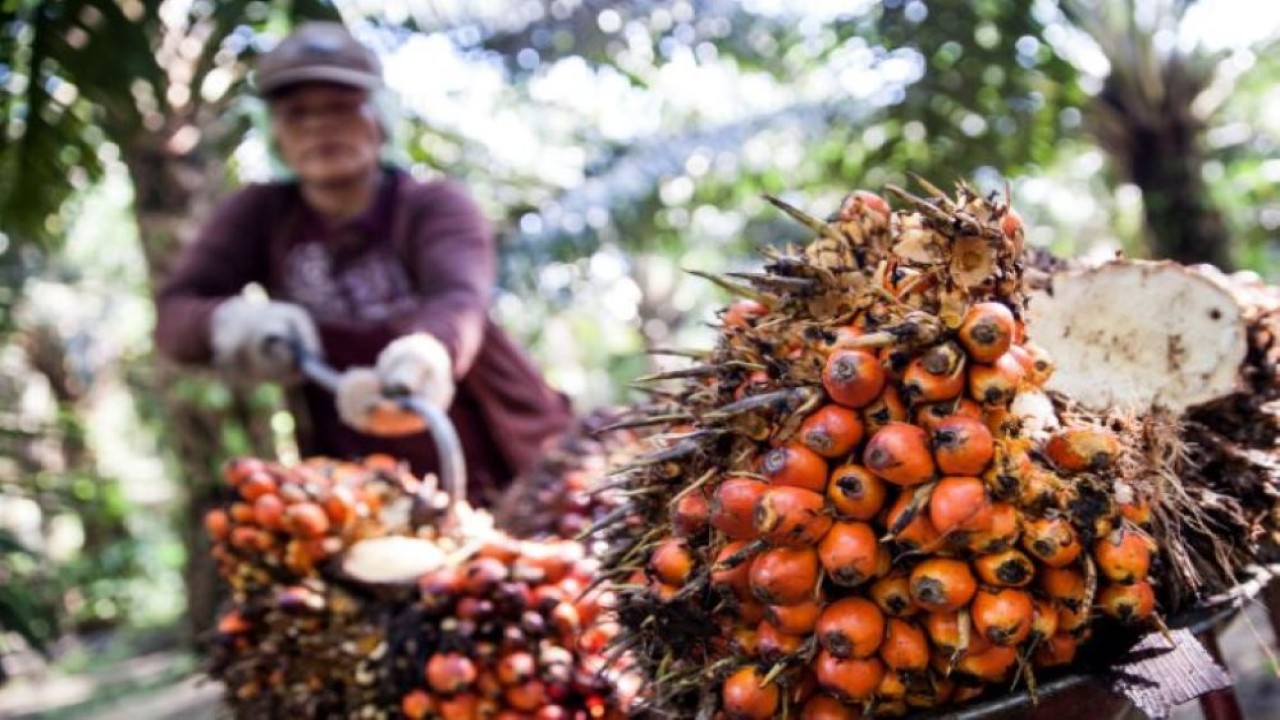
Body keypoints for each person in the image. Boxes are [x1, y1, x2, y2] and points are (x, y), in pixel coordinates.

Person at [154, 22, 573, 505]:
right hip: (367, 484)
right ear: (276, 133)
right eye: (297, 114)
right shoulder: (261, 214)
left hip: (508, 462)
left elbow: (458, 296)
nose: (319, 127)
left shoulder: (432, 205)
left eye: (339, 107)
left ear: (378, 118)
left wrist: (424, 355)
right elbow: (175, 314)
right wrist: (235, 323)